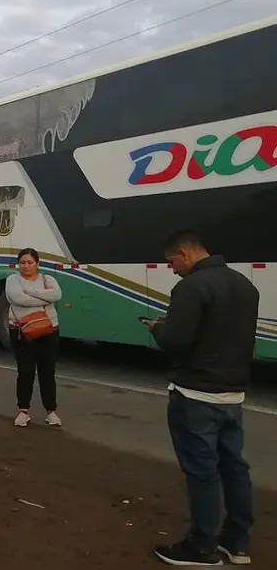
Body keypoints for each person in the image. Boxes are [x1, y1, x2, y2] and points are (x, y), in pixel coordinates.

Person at [145, 230, 258, 566]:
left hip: (195, 394)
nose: (172, 269)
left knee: (202, 471)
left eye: (171, 262)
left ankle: (201, 547)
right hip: (233, 393)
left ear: (184, 253)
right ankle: (237, 543)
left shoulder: (190, 287)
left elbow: (177, 342)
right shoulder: (245, 285)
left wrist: (157, 329)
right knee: (235, 467)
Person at [5, 248, 62, 428]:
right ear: (18, 264)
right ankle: (23, 411)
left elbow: (57, 295)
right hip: (22, 332)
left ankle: (51, 411)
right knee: (25, 371)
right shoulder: (12, 280)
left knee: (47, 372)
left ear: (37, 263)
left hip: (48, 330)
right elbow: (17, 298)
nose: (26, 266)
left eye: (30, 262)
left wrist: (30, 292)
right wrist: (45, 298)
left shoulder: (48, 279)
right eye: (22, 262)